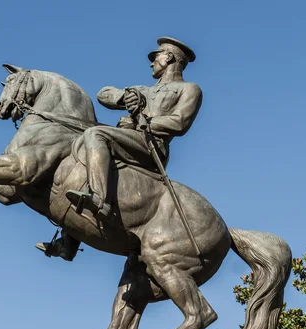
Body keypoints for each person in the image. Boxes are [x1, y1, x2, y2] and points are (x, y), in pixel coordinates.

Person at [37, 37, 203, 261]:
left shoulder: (189, 89)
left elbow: (180, 122)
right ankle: (68, 243)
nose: (151, 61)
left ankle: (99, 200)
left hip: (151, 145)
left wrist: (145, 121)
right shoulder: (143, 90)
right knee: (83, 151)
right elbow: (103, 94)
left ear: (170, 57)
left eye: (156, 56)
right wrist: (126, 97)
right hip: (128, 139)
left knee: (96, 134)